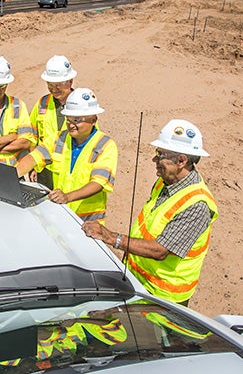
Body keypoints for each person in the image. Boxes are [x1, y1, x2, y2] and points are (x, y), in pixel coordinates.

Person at [81, 119, 218, 306]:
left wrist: (113, 238)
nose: (155, 160)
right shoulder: (165, 182)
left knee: (148, 336)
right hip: (138, 280)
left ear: (181, 161)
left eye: (161, 154)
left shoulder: (197, 205)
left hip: (163, 297)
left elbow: (160, 251)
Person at [16, 88, 117, 224]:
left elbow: (98, 183)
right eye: (68, 119)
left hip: (88, 221)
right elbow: (34, 157)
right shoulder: (60, 138)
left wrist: (67, 197)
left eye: (77, 120)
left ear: (93, 119)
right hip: (62, 214)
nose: (71, 125)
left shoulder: (105, 145)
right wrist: (11, 175)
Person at [29, 55, 76, 188]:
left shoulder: (81, 104)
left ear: (70, 81)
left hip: (69, 171)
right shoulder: (42, 104)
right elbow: (32, 135)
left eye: (58, 85)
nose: (54, 89)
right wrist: (33, 165)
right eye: (50, 85)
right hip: (45, 170)